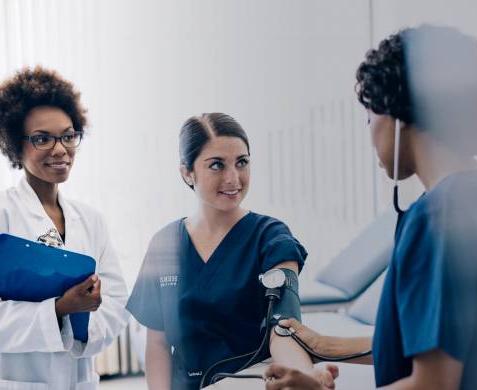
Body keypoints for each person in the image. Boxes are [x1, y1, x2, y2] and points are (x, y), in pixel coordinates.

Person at [265, 25, 477, 390]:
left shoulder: (437, 219)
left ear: (398, 116)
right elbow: (439, 344)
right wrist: (325, 345)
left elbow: (433, 385)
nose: (370, 130)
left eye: (370, 116)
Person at [126, 113, 337, 389]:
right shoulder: (165, 244)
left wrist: (302, 375)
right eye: (217, 165)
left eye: (242, 162)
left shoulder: (271, 237)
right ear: (187, 173)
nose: (233, 178)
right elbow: (158, 343)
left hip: (248, 384)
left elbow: (284, 329)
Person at [0, 67, 129, 389]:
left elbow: (116, 302)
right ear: (17, 145)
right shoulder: (3, 213)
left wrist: (84, 323)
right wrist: (58, 310)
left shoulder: (91, 219)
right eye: (42, 138)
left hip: (80, 380)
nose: (60, 150)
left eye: (69, 136)